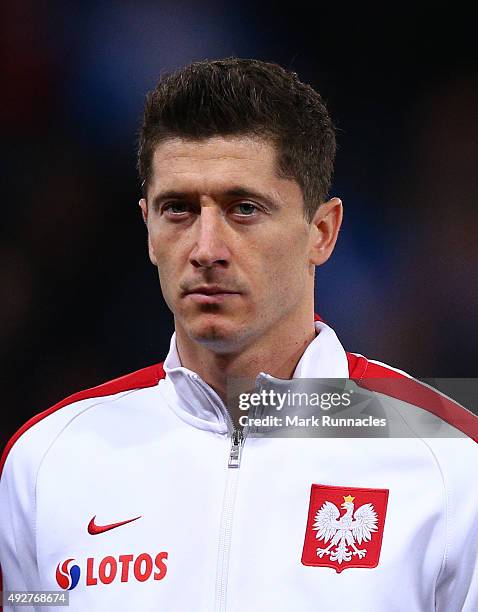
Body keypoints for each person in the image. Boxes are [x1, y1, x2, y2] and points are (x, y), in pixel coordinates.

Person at [0, 58, 477, 612]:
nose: (206, 249)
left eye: (243, 209)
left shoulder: (450, 454)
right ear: (148, 230)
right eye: (177, 210)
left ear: (322, 232)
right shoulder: (47, 459)